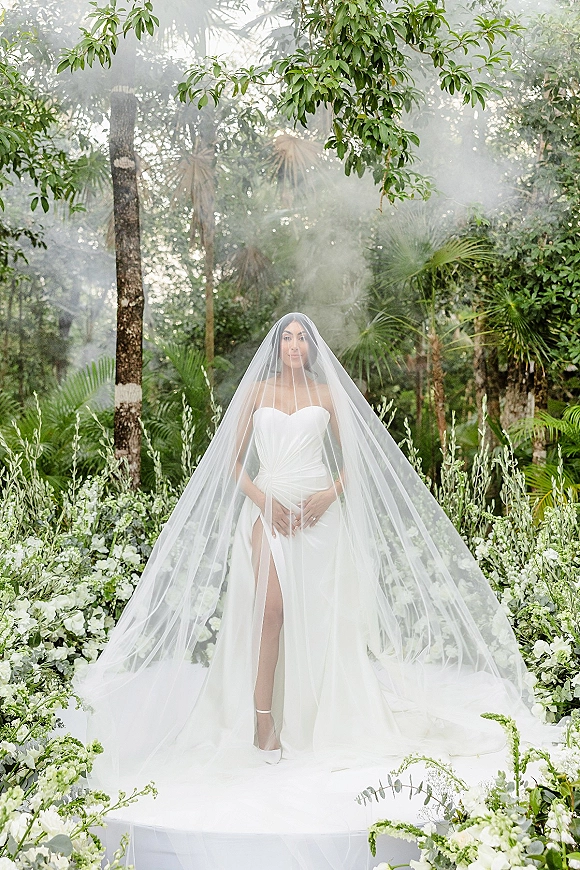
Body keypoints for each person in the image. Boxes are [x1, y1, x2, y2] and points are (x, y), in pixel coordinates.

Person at [77, 313, 549, 788]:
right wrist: (263, 499)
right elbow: (231, 462)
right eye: (287, 336)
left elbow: (357, 462)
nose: (295, 344)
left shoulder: (327, 396)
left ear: (312, 348)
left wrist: (328, 495)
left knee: (320, 617)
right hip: (268, 508)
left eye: (302, 337)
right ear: (278, 346)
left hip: (319, 517)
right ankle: (263, 721)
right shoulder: (258, 393)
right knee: (272, 610)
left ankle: (317, 716)